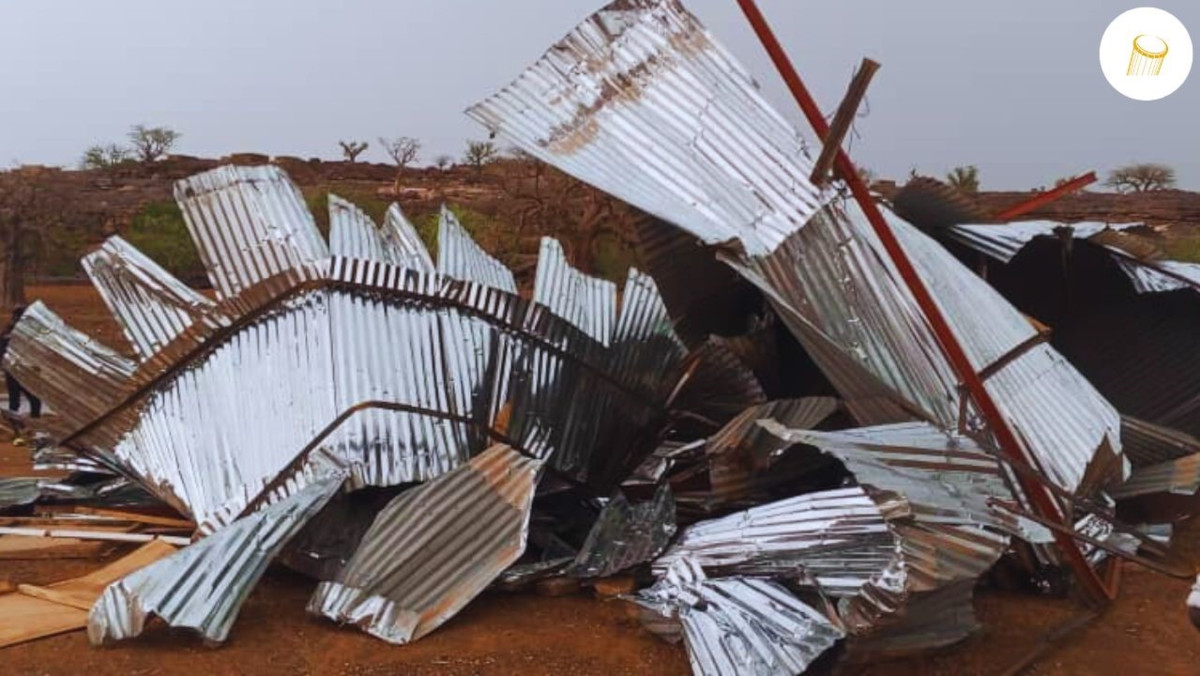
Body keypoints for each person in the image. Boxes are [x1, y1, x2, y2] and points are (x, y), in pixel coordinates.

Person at [1, 305, 41, 419]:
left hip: (13, 369)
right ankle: (33, 421)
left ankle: (15, 423)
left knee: (16, 400)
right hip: (20, 369)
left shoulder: (8, 330)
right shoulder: (20, 331)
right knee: (33, 399)